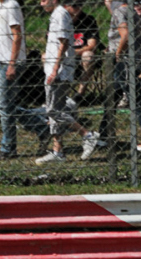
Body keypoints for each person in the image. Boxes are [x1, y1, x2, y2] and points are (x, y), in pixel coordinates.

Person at [35, 0, 100, 164]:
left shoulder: (61, 15)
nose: (41, 4)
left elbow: (64, 43)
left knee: (52, 110)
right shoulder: (56, 15)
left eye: (44, 0)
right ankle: (58, 152)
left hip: (60, 70)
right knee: (57, 109)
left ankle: (87, 134)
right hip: (54, 68)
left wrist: (56, 68)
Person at [99, 0, 141, 150]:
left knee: (135, 100)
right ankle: (103, 137)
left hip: (125, 62)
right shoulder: (132, 11)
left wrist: (117, 55)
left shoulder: (120, 12)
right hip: (135, 59)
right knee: (112, 98)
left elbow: (125, 35)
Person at [0, 0, 50, 159]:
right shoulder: (0, 4)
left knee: (5, 106)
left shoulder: (11, 5)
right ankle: (41, 128)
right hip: (4, 61)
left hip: (12, 62)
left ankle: (8, 148)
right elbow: (2, 37)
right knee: (7, 106)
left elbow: (17, 35)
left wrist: (12, 64)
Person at [66, 0, 101, 97]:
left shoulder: (88, 20)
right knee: (45, 56)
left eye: (80, 4)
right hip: (63, 56)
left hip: (81, 56)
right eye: (74, 5)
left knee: (88, 55)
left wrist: (73, 52)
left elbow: (92, 45)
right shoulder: (59, 21)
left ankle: (80, 94)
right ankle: (59, 94)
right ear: (65, 6)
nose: (78, 7)